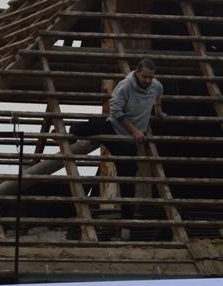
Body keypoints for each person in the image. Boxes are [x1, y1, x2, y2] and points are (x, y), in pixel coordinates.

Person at [70, 57, 166, 227]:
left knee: (128, 177)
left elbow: (159, 94)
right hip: (115, 128)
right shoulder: (125, 86)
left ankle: (126, 224)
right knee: (87, 127)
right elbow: (116, 112)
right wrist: (135, 131)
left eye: (151, 77)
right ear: (137, 73)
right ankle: (72, 130)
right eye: (145, 77)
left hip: (130, 142)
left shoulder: (156, 86)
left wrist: (158, 110)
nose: (148, 80)